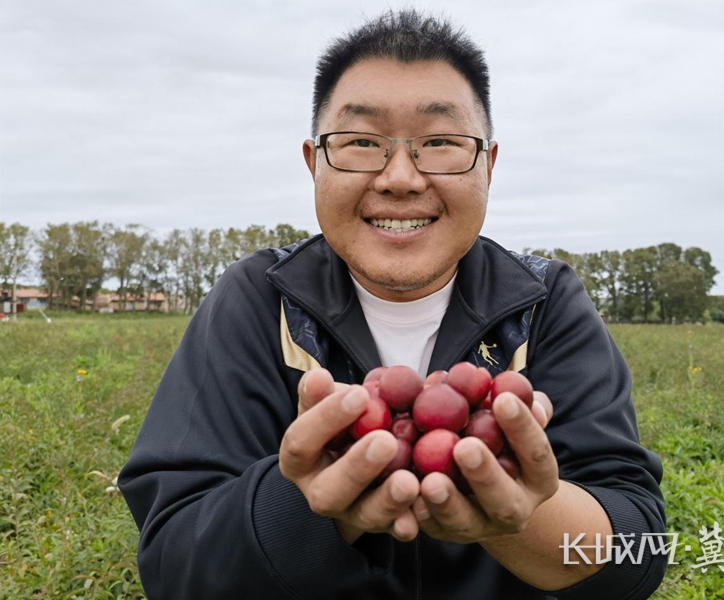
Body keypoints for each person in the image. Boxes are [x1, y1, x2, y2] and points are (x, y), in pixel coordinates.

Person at [119, 9, 667, 599]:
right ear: (313, 163)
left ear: (489, 163)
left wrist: (523, 515)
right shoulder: (258, 299)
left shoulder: (543, 302)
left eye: (440, 142)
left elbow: (640, 551)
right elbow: (174, 564)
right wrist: (314, 508)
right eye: (360, 143)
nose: (400, 177)